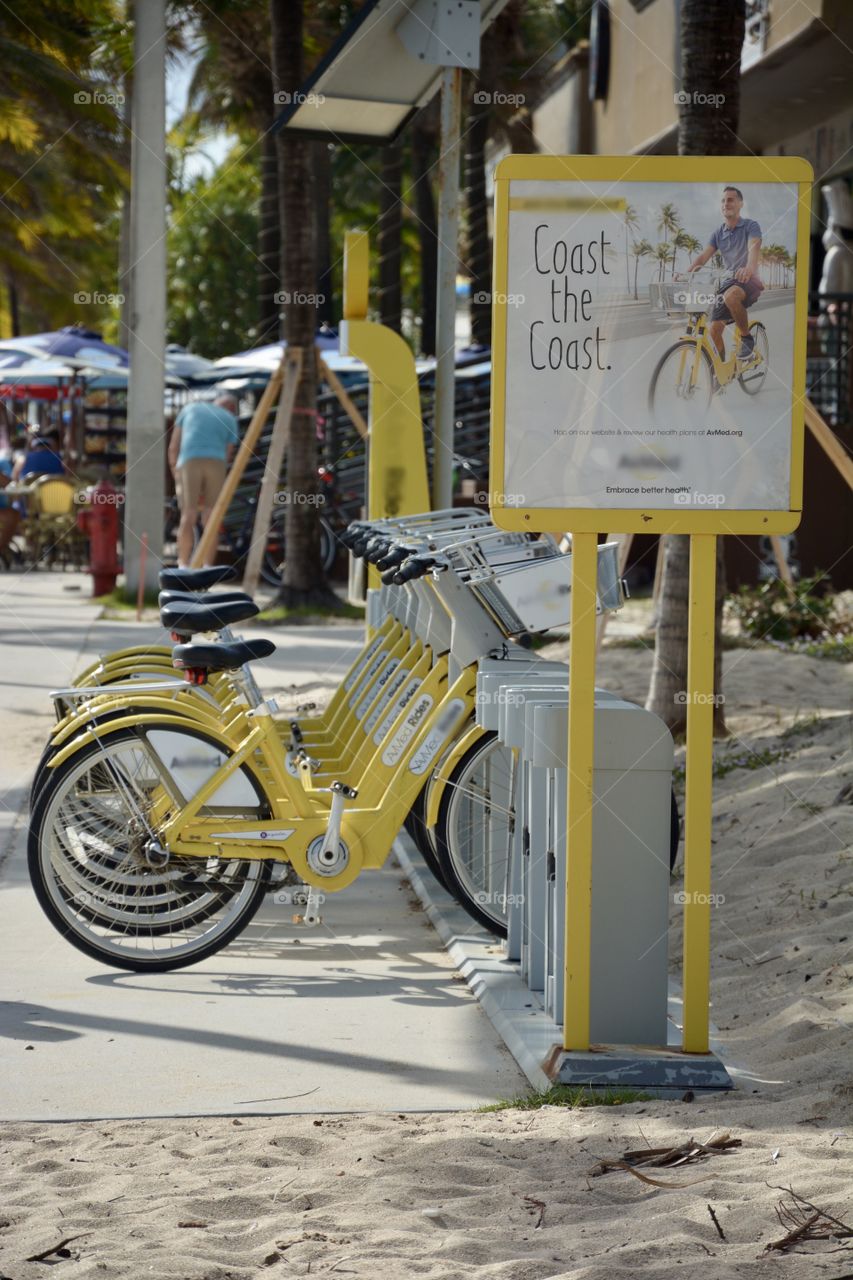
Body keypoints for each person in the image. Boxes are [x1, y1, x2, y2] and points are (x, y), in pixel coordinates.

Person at [687, 185, 763, 370]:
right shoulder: (718, 233)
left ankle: (746, 338)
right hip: (729, 282)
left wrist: (748, 268)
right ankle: (718, 372)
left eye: (730, 200)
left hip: (749, 280)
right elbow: (702, 258)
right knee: (713, 330)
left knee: (731, 296)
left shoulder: (751, 226)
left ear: (740, 204)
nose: (725, 203)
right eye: (723, 200)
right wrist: (685, 274)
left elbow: (753, 251)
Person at [168, 393, 240, 568]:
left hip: (190, 460)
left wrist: (175, 472)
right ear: (231, 408)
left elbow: (174, 446)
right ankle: (208, 565)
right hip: (216, 461)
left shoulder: (190, 408)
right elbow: (228, 453)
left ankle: (183, 564)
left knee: (188, 514)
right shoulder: (230, 418)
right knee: (211, 516)